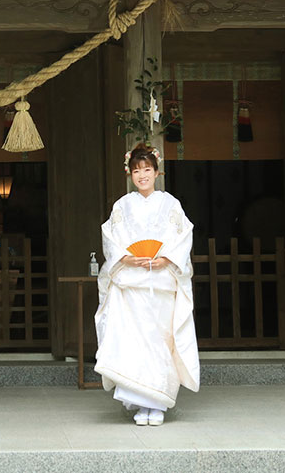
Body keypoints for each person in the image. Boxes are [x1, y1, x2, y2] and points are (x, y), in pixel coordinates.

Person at [94, 144, 200, 426]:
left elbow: (182, 236)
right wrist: (125, 258)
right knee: (134, 343)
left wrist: (167, 258)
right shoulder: (122, 205)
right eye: (137, 170)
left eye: (147, 170)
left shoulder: (170, 204)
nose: (142, 175)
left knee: (160, 341)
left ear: (157, 172)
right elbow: (111, 237)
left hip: (161, 283)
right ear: (129, 173)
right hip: (132, 285)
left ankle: (159, 403)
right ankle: (142, 403)